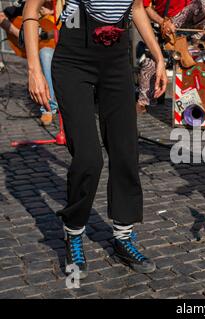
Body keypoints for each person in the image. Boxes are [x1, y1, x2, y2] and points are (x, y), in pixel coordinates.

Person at [23, 0, 168, 278]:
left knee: (125, 150)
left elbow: (136, 7)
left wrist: (159, 57)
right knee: (89, 158)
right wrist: (34, 70)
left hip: (116, 62)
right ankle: (74, 231)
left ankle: (123, 236)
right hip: (74, 61)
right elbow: (31, 10)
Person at [136, 0, 205, 113]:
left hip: (186, 25)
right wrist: (163, 22)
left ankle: (196, 36)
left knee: (204, 3)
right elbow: (144, 7)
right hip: (164, 25)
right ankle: (144, 101)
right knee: (150, 61)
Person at [0, 0, 60, 126]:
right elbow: (1, 17)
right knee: (45, 54)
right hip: (46, 50)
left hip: (68, 47)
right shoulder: (24, 5)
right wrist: (19, 33)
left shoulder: (64, 4)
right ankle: (49, 107)